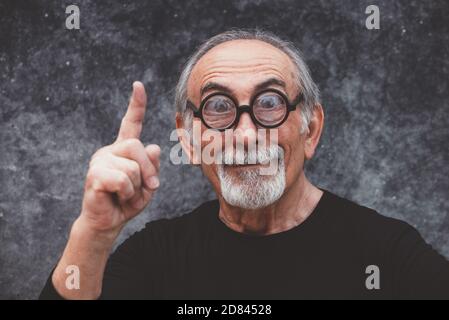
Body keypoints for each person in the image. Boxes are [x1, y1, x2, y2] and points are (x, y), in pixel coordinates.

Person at [39, 29, 449, 300]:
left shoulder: (389, 254)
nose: (248, 135)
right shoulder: (156, 258)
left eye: (269, 103)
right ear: (189, 138)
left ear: (310, 130)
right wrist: (93, 233)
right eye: (219, 107)